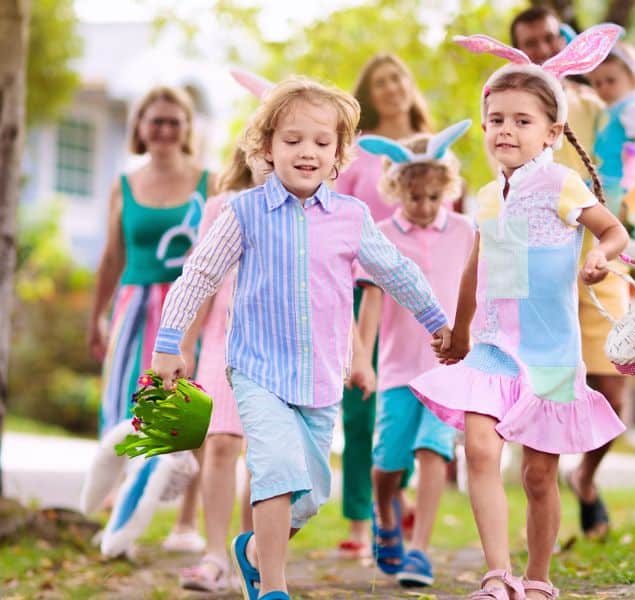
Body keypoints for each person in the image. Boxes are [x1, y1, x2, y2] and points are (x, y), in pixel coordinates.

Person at [149, 76, 452, 600]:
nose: (306, 152)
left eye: (320, 142)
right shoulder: (242, 213)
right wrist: (168, 341)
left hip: (320, 376)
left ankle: (249, 553)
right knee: (276, 472)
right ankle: (273, 586)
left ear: (339, 155)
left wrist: (436, 321)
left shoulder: (351, 218)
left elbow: (396, 271)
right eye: (292, 140)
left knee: (309, 495)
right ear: (266, 148)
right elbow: (197, 275)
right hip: (257, 371)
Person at [410, 24, 628, 599]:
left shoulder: (562, 183)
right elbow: (474, 268)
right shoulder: (486, 195)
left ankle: (538, 578)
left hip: (552, 355)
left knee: (538, 475)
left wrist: (601, 259)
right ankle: (497, 573)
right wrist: (457, 334)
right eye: (497, 119)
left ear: (553, 132)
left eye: (521, 120)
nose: (506, 129)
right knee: (479, 449)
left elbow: (613, 231)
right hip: (491, 349)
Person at [510, 7, 628, 539]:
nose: (541, 47)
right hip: (539, 269)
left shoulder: (595, 106)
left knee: (612, 387)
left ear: (567, 38)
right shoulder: (510, 111)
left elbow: (630, 164)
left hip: (600, 256)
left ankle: (587, 477)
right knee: (545, 390)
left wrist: (626, 234)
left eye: (549, 37)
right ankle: (546, 505)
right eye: (529, 41)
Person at [348, 121, 476, 587]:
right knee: (388, 463)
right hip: (399, 368)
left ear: (447, 190)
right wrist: (362, 356)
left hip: (448, 369)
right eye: (413, 197)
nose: (422, 207)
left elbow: (474, 294)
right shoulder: (380, 233)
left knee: (433, 450)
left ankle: (420, 549)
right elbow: (372, 300)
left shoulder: (465, 231)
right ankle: (385, 517)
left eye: (432, 197)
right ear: (396, 190)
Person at [87, 84, 213, 553]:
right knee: (125, 406)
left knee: (187, 406)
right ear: (140, 127)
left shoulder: (209, 181)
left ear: (187, 129)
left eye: (173, 121)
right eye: (154, 121)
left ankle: (185, 523)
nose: (163, 129)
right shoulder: (124, 184)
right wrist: (95, 317)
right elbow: (110, 257)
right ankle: (121, 516)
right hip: (134, 308)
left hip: (191, 306)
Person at [332, 53, 432, 558]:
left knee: (410, 400)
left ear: (409, 83)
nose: (392, 87)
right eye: (381, 81)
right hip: (358, 287)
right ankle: (356, 517)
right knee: (360, 405)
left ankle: (395, 496)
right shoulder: (357, 152)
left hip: (414, 294)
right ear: (369, 94)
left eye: (398, 76)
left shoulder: (434, 147)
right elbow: (336, 213)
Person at [178, 69, 271, 594]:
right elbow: (202, 280)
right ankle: (215, 553)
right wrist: (184, 343)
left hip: (273, 351)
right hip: (222, 341)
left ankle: (251, 551)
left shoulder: (309, 211)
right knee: (218, 445)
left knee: (263, 457)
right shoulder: (221, 206)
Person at [586, 41, 635, 249]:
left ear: (632, 77)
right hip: (607, 175)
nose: (604, 88)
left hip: (622, 178)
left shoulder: (631, 107)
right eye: (598, 83)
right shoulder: (611, 108)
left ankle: (628, 248)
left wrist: (633, 162)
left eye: (611, 80)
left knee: (611, 219)